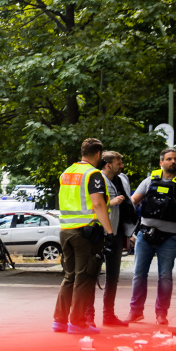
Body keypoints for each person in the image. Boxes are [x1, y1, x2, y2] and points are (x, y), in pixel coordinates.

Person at [129, 148, 176, 325]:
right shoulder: (149, 181)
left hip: (169, 238)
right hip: (145, 235)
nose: (173, 162)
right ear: (161, 163)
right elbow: (133, 201)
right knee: (138, 274)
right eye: (169, 159)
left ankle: (162, 313)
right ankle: (135, 311)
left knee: (165, 276)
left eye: (175, 159)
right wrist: (129, 229)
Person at [53, 138, 115, 334]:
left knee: (69, 277)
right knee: (84, 278)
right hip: (85, 233)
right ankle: (77, 323)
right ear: (98, 154)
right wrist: (110, 231)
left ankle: (59, 321)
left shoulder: (67, 172)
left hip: (66, 231)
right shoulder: (93, 174)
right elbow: (98, 204)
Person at [96, 152, 134, 327]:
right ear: (108, 165)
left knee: (113, 277)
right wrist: (111, 202)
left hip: (117, 233)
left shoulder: (123, 179)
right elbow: (93, 205)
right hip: (99, 233)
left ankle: (108, 315)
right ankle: (88, 315)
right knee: (91, 276)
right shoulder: (97, 179)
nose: (122, 166)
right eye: (119, 163)